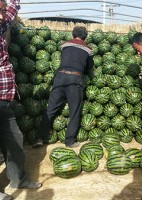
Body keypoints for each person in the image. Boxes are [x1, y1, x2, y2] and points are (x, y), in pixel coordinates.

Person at [0, 0, 42, 199]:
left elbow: (9, 12)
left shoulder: (0, 25)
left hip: (4, 100)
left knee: (15, 140)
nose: (2, 16)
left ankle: (19, 179)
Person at [33, 26, 94, 148]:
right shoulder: (88, 49)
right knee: (74, 112)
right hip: (75, 79)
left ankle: (39, 138)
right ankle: (69, 141)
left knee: (50, 109)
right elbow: (89, 67)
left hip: (60, 76)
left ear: (73, 34)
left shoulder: (64, 45)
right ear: (85, 37)